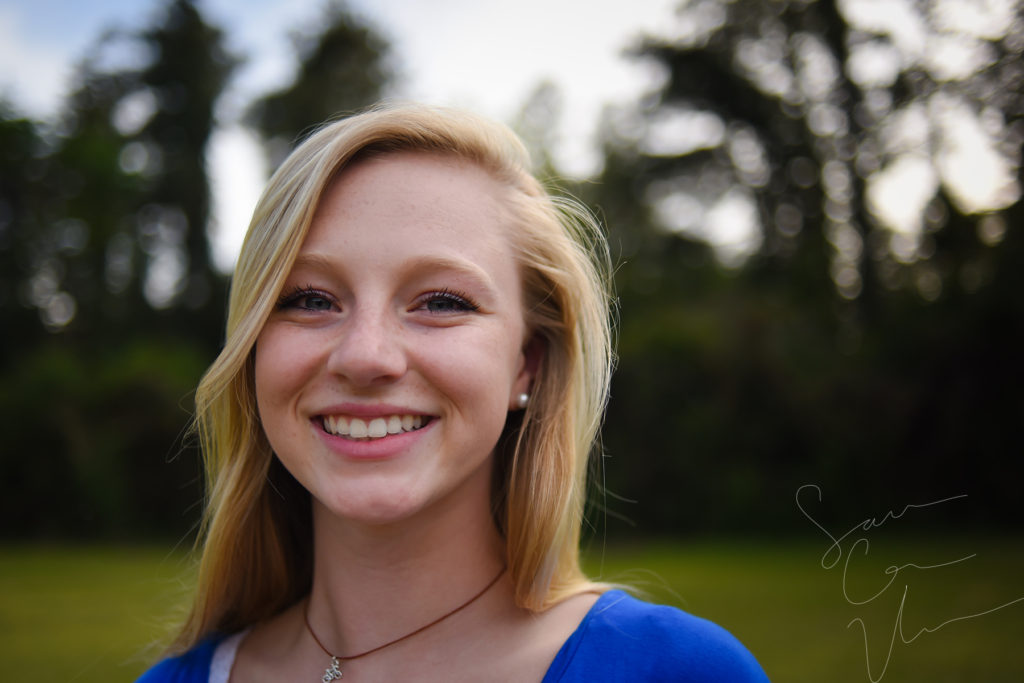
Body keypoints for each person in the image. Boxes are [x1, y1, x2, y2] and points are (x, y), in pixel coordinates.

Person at [138, 103, 769, 682]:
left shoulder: (680, 671)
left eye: (441, 302)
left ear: (527, 365)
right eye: (309, 299)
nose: (365, 356)